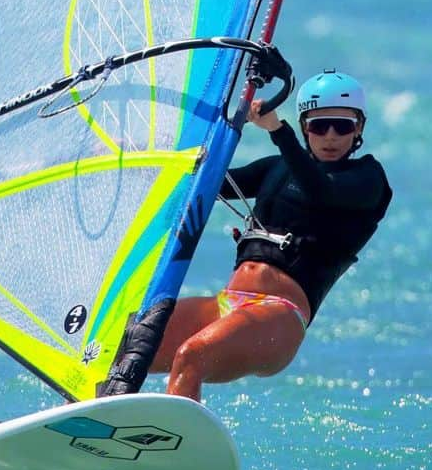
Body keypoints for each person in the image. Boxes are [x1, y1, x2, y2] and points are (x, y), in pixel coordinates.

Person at [149, 70, 392, 402]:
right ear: (307, 127)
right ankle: (89, 426)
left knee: (191, 354)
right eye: (320, 126)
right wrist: (147, 155)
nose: (331, 136)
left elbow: (320, 190)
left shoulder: (367, 179)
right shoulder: (278, 168)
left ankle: (170, 449)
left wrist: (279, 130)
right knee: (129, 344)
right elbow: (205, 183)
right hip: (227, 304)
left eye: (343, 125)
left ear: (359, 128)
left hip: (280, 315)